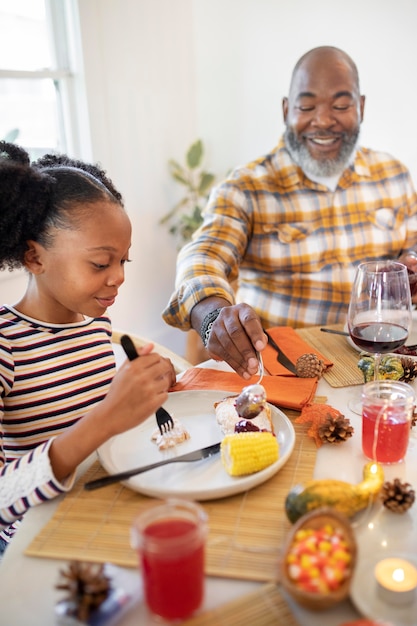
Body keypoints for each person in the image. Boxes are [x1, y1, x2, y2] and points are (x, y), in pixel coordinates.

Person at [162, 46, 417, 379]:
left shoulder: (394, 174)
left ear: (361, 107)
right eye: (307, 106)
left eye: (340, 105)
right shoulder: (246, 186)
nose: (324, 120)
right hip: (281, 373)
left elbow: (412, 246)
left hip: (379, 364)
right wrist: (213, 316)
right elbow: (201, 257)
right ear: (286, 110)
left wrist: (410, 264)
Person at [0, 141, 175, 555]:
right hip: (38, 547)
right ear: (34, 257)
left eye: (123, 262)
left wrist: (144, 390)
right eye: (100, 264)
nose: (118, 278)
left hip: (102, 520)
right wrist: (107, 416)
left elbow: (97, 419)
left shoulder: (96, 325)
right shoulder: (6, 344)